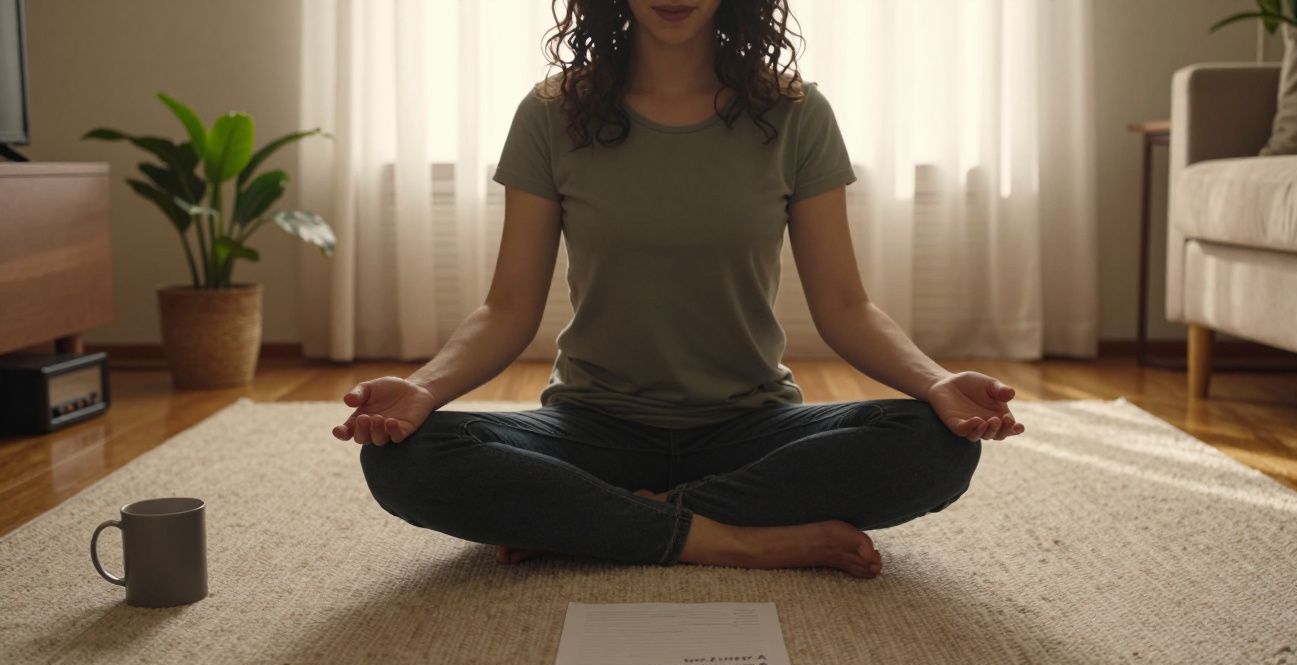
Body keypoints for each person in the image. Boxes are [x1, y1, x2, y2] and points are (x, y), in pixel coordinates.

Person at [333, 0, 1024, 580]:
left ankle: (598, 523)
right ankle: (736, 542)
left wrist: (937, 385)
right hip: (593, 428)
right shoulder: (552, 113)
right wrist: (422, 390)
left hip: (750, 427)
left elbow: (846, 308)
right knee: (405, 460)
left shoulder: (795, 113)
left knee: (936, 446)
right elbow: (507, 309)